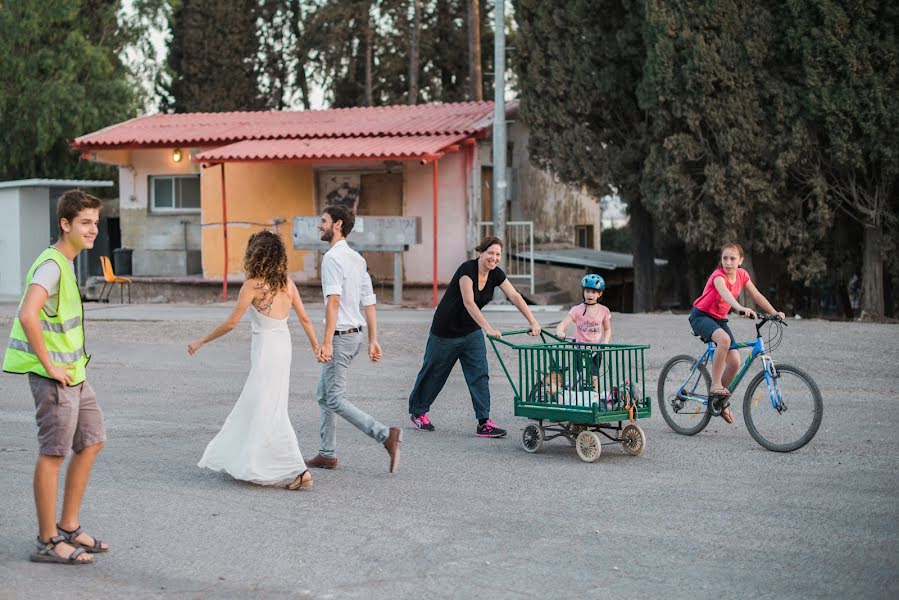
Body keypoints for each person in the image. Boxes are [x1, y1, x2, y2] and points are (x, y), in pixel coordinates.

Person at [3, 190, 107, 564]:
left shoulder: (67, 262)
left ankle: (68, 525)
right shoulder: (51, 264)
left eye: (95, 222)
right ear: (65, 224)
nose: (92, 229)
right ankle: (47, 541)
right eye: (85, 222)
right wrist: (49, 366)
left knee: (93, 440)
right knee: (53, 454)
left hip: (75, 374)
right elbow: (28, 314)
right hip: (55, 378)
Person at [188, 231, 320, 490]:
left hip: (267, 350)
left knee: (267, 405)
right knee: (266, 403)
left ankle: (298, 469)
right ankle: (254, 459)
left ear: (255, 255)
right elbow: (304, 318)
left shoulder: (252, 286)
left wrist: (202, 340)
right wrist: (316, 346)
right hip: (283, 347)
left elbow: (231, 323)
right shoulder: (287, 284)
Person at [407, 236, 542, 437]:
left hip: (471, 331)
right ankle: (418, 412)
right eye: (491, 253)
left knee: (479, 375)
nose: (494, 258)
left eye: (498, 254)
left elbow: (514, 295)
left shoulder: (496, 274)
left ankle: (484, 422)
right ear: (481, 252)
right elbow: (469, 302)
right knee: (434, 372)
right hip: (445, 331)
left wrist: (533, 321)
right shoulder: (466, 270)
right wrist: (488, 327)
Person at [305, 205, 402, 473]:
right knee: (324, 395)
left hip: (340, 336)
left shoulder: (332, 259)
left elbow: (333, 302)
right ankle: (327, 453)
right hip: (355, 336)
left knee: (334, 397)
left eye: (323, 221)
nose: (318, 225)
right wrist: (373, 340)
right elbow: (369, 302)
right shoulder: (357, 259)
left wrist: (326, 342)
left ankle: (385, 435)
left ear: (337, 224)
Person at [689, 242, 785, 424]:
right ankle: (715, 385)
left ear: (740, 260)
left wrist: (774, 312)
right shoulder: (718, 277)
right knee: (724, 340)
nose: (728, 262)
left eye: (732, 258)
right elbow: (726, 294)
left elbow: (756, 296)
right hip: (701, 316)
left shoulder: (742, 275)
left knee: (734, 362)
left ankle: (720, 402)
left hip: (718, 320)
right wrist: (740, 308)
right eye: (725, 258)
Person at [555, 274, 612, 390]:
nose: (590, 294)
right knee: (578, 376)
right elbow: (563, 323)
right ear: (583, 292)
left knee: (594, 375)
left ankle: (595, 396)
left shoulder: (604, 310)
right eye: (587, 291)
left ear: (600, 294)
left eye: (594, 292)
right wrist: (560, 331)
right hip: (579, 348)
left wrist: (605, 342)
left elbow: (607, 329)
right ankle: (578, 396)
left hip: (596, 349)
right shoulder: (576, 310)